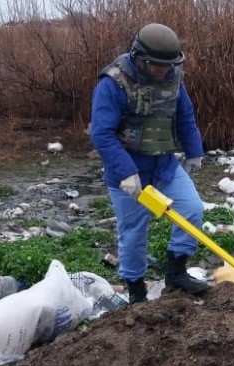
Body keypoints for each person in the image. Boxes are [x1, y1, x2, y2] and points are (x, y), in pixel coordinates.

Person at [89, 22, 210, 304]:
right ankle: (136, 290)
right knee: (133, 233)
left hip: (164, 165)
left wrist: (194, 151)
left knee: (192, 209)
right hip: (129, 173)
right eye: (155, 65)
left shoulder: (173, 78)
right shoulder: (113, 83)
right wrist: (124, 171)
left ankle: (177, 272)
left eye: (167, 65)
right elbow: (102, 133)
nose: (161, 71)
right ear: (138, 56)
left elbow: (184, 116)